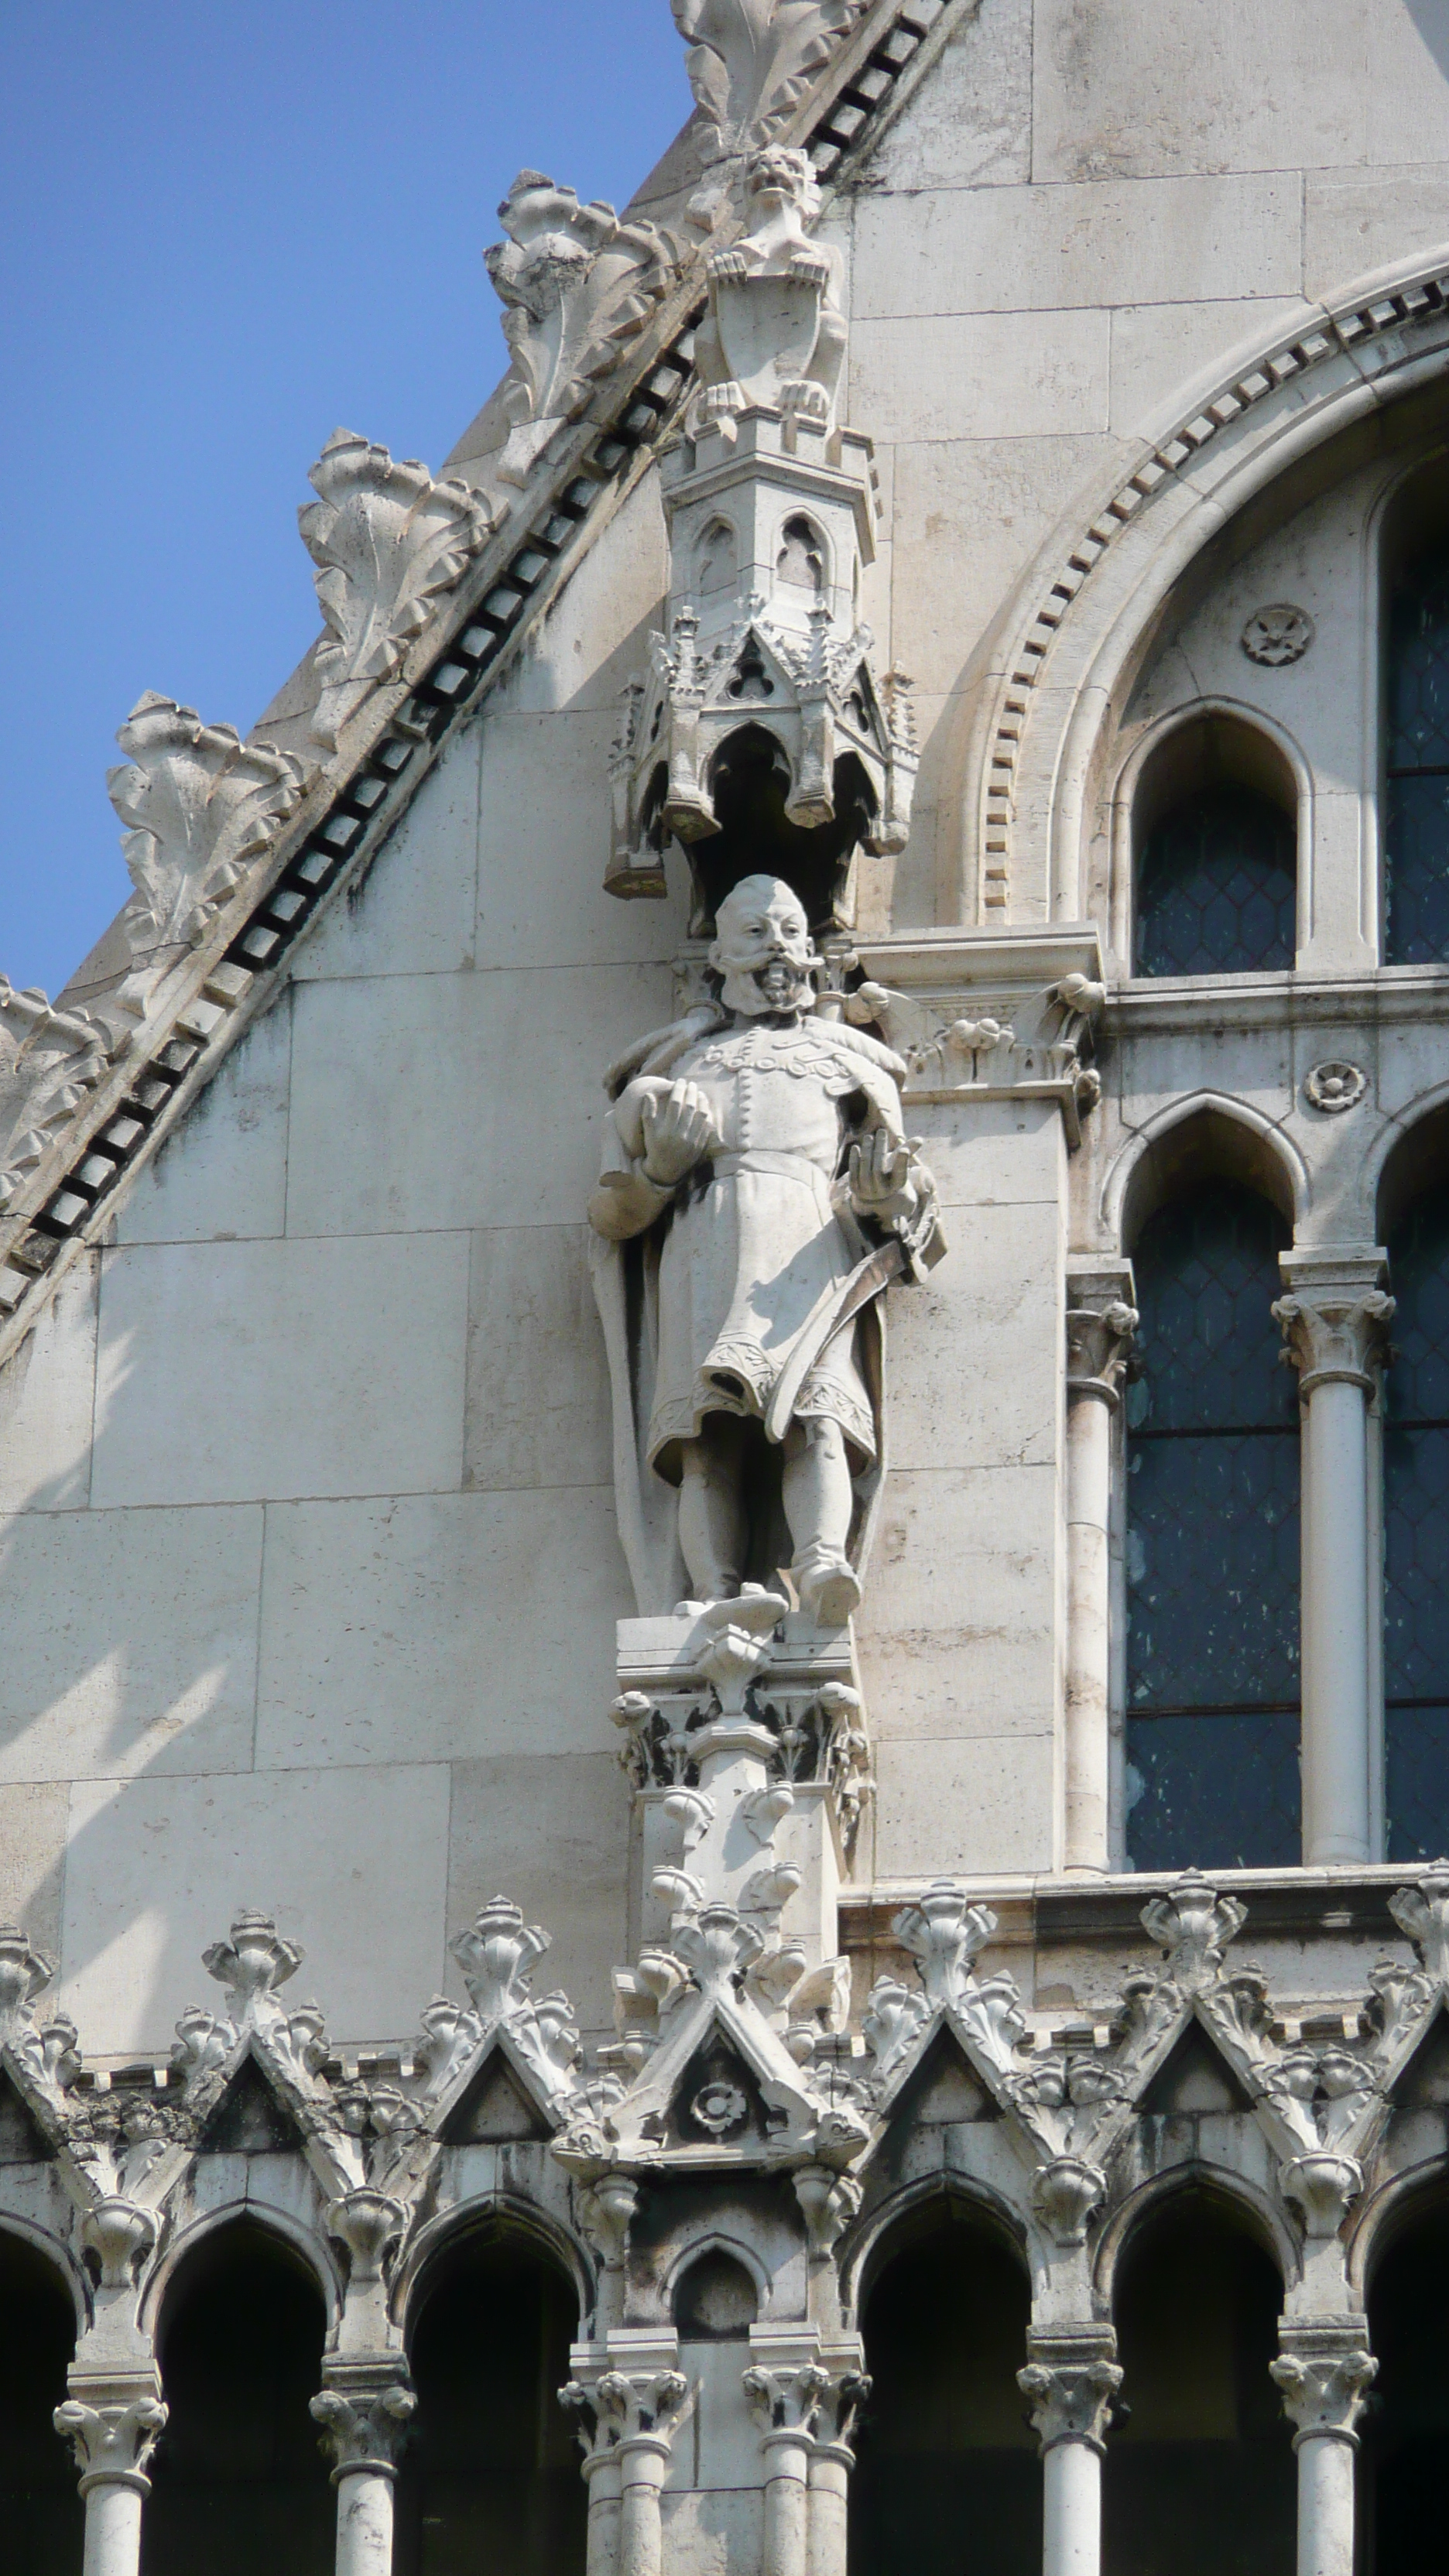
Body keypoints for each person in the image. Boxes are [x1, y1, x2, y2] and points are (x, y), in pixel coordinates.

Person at [589, 874, 940, 1625]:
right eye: (754, 932)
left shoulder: (851, 1062)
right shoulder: (675, 1064)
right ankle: (712, 1590)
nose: (776, 946)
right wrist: (659, 1170)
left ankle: (821, 1562)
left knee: (819, 1415)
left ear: (813, 951)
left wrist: (885, 1199)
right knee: (707, 1439)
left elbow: (907, 1194)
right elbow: (613, 1214)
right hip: (707, 1243)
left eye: (789, 929)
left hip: (811, 1241)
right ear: (717, 954)